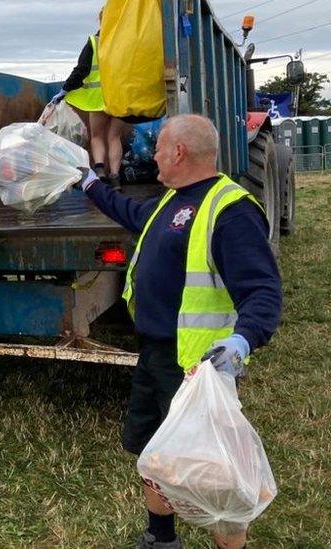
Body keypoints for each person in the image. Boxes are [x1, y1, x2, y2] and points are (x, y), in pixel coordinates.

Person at [78, 114, 281, 549]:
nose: (152, 155)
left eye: (158, 148)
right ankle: (161, 537)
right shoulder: (172, 200)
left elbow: (262, 289)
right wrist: (89, 185)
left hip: (197, 365)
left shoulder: (230, 210)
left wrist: (241, 341)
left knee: (211, 471)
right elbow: (133, 214)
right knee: (156, 451)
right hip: (154, 353)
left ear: (179, 152)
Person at [52, 8, 128, 182]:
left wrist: (65, 90)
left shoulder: (94, 42)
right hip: (120, 99)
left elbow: (81, 70)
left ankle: (100, 170)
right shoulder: (125, 41)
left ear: (101, 20)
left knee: (97, 136)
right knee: (114, 137)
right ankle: (115, 175)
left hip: (96, 100)